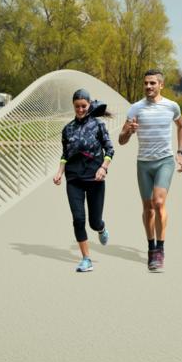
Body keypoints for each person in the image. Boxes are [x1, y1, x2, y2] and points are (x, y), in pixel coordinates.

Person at [119, 69, 182, 272]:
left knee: (158, 203)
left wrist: (181, 152)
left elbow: (181, 127)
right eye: (146, 83)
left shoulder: (171, 106)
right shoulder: (135, 109)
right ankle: (150, 248)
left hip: (164, 161)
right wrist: (128, 132)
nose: (148, 86)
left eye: (152, 83)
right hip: (143, 163)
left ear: (161, 85)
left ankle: (160, 249)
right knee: (148, 208)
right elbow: (121, 140)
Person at [53, 89, 114, 273]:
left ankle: (101, 228)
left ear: (89, 106)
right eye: (77, 106)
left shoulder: (98, 125)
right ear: (73, 106)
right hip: (74, 179)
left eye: (83, 106)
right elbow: (65, 154)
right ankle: (86, 259)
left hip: (95, 179)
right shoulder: (67, 129)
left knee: (94, 223)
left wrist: (103, 168)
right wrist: (59, 172)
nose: (80, 109)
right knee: (78, 219)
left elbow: (110, 149)